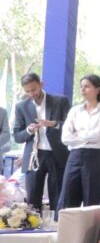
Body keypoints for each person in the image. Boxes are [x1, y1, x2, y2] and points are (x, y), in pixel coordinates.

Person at [12, 72, 71, 213]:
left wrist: (54, 124)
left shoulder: (60, 101)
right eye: (27, 91)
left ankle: (57, 225)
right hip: (34, 156)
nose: (31, 94)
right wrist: (28, 130)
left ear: (41, 84)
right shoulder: (21, 106)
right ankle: (34, 225)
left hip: (57, 154)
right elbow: (17, 136)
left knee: (58, 197)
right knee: (32, 200)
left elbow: (72, 126)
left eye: (33, 89)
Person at [59, 74, 100, 210]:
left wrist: (78, 135)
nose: (83, 90)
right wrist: (86, 139)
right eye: (81, 87)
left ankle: (94, 225)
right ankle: (67, 224)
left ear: (97, 89)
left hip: (95, 157)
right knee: (68, 196)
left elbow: (99, 135)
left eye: (87, 86)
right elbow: (65, 137)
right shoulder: (75, 110)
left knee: (93, 198)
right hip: (75, 156)